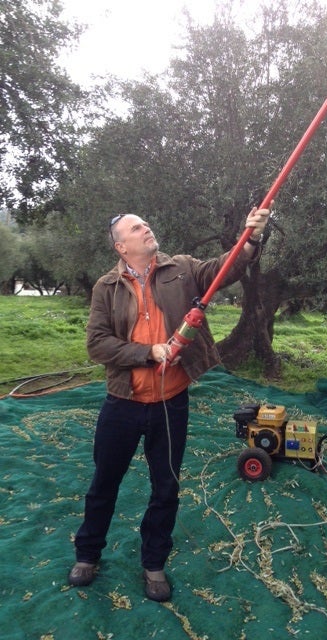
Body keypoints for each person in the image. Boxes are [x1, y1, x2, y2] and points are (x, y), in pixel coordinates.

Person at [68, 206, 270, 602]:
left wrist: (251, 240)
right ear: (121, 245)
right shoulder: (106, 287)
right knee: (103, 484)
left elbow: (223, 269)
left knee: (166, 488)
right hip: (122, 402)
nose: (147, 228)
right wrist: (150, 351)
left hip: (170, 403)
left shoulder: (182, 268)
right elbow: (97, 344)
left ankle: (154, 563)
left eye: (146, 223)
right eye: (137, 227)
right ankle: (87, 555)